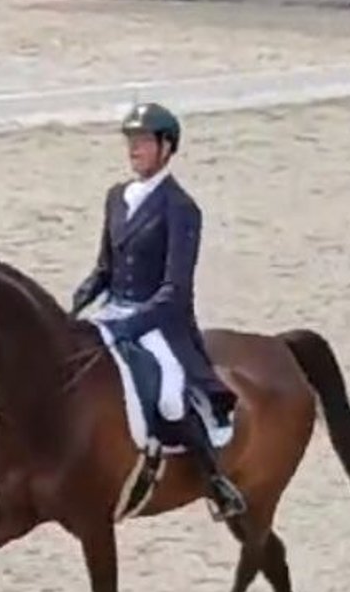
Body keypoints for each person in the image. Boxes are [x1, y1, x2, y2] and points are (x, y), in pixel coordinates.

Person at [71, 101, 246, 520]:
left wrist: (130, 324)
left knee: (169, 397)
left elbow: (174, 289)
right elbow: (104, 268)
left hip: (159, 323)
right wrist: (76, 303)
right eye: (131, 141)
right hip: (112, 311)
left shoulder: (181, 208)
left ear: (167, 148)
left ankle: (215, 481)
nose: (134, 149)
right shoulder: (117, 197)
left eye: (144, 142)